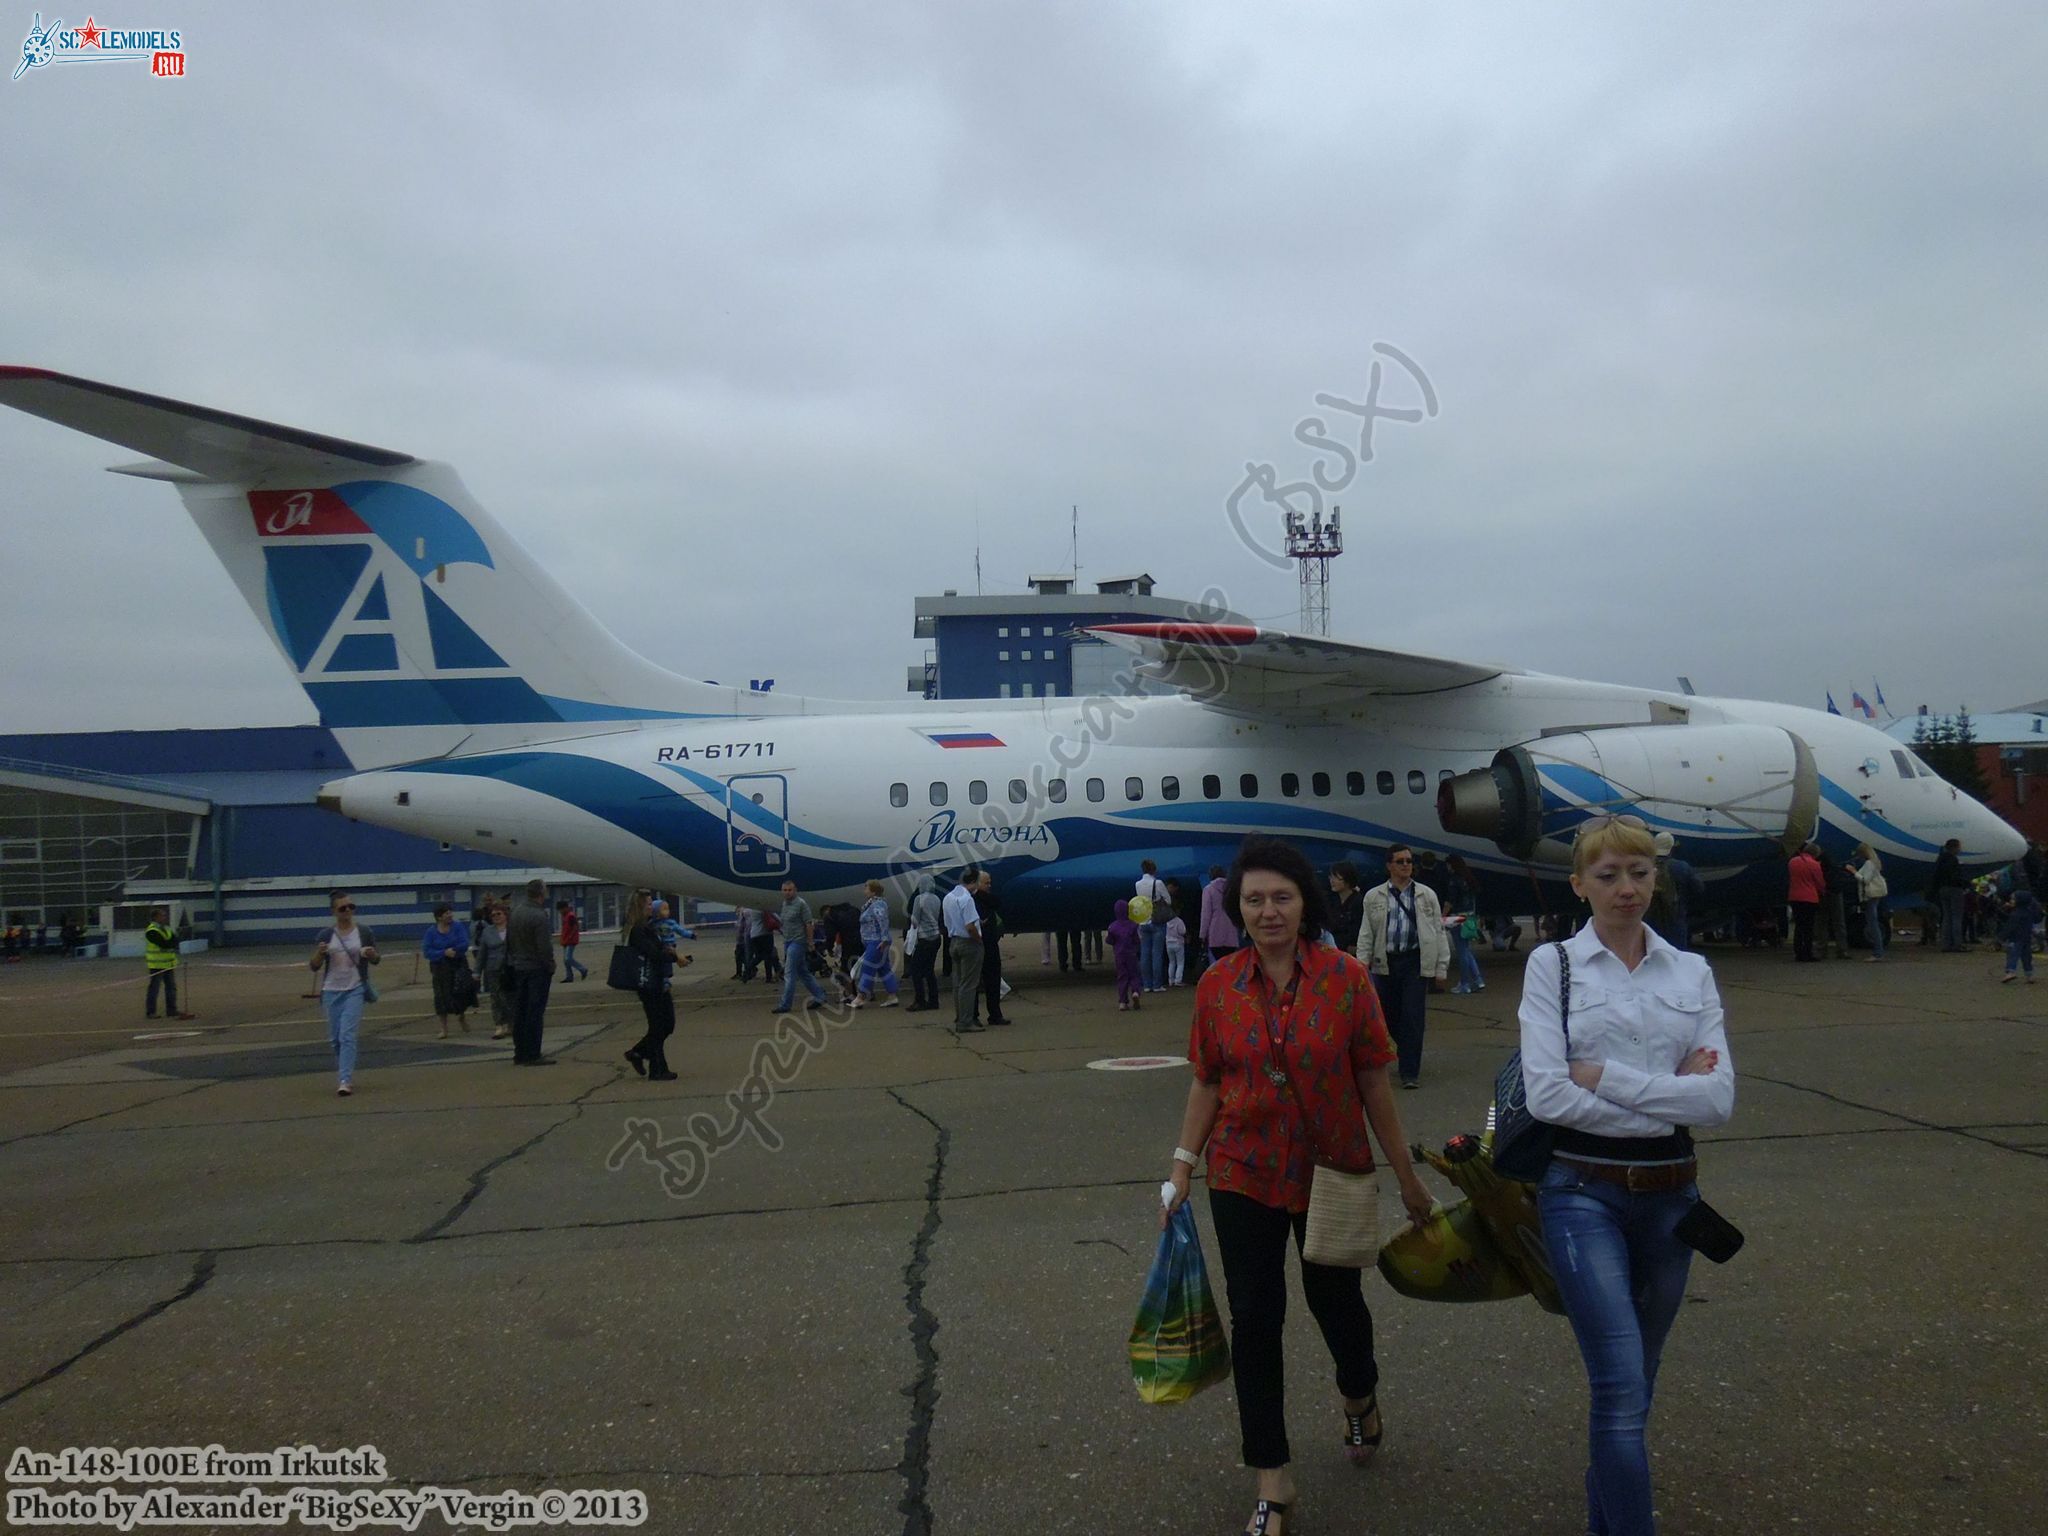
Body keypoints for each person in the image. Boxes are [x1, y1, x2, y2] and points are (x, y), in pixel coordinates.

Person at [1164, 836, 1434, 1536]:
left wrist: (1405, 1176)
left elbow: (1374, 1077)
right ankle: (1273, 1480)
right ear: (1237, 908)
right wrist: (1182, 1166)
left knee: (1336, 1304)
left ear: (1303, 901)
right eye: (1253, 899)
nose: (1267, 910)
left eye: (1281, 896)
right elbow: (1208, 1079)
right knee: (1255, 1320)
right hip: (1242, 1172)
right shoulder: (1218, 987)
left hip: (1331, 1170)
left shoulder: (1345, 978)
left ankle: (1359, 1393)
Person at [1520, 814, 1735, 1536]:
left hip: (1674, 1197)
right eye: (1608, 875)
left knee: (1636, 1389)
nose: (1626, 889)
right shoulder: (1553, 967)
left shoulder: (1691, 972)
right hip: (1583, 1193)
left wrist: (1606, 1078)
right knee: (1618, 1387)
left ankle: (1603, 1519)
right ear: (1580, 883)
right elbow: (1549, 1094)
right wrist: (1666, 1091)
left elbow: (1718, 1098)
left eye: (1639, 873)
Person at [1358, 846, 1448, 1089]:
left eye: (1409, 861)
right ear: (1389, 865)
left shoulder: (1426, 895)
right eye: (1400, 861)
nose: (1406, 865)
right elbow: (1367, 932)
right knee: (1387, 1016)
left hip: (1414, 962)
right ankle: (1407, 1048)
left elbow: (1438, 932)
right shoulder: (1374, 896)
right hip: (1385, 962)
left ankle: (1410, 1071)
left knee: (1412, 1016)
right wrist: (1361, 964)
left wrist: (1441, 968)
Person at [310, 891, 379, 1097]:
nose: (348, 911)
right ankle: (344, 1070)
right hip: (331, 990)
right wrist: (320, 953)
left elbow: (376, 959)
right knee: (335, 1039)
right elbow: (314, 966)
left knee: (347, 1035)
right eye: (342, 908)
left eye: (351, 906)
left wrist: (371, 954)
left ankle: (345, 1079)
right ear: (334, 911)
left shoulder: (364, 932)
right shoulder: (326, 935)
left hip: (355, 988)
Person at [622, 889, 691, 1079]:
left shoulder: (649, 926)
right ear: (641, 906)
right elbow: (653, 953)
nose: (651, 907)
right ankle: (657, 1068)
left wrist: (675, 955)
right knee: (660, 1025)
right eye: (648, 904)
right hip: (649, 983)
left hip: (657, 980)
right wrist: (672, 957)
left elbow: (661, 947)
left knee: (665, 1024)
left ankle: (640, 1053)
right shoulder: (638, 930)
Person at [506, 879, 556, 1065]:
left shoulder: (516, 912)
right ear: (541, 893)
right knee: (535, 1012)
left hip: (519, 966)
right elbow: (544, 947)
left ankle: (520, 1052)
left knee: (520, 1011)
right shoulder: (538, 915)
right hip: (536, 968)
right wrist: (550, 964)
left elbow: (509, 942)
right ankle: (533, 1053)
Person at [770, 881, 831, 1012]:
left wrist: (810, 942)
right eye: (785, 890)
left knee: (789, 973)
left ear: (795, 890)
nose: (787, 892)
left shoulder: (801, 904)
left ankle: (785, 1004)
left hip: (798, 942)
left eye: (790, 890)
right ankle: (820, 995)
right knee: (803, 972)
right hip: (788, 941)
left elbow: (809, 924)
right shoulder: (785, 904)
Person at [422, 904, 473, 1038]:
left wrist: (454, 950)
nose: (450, 915)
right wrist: (443, 952)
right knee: (441, 996)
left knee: (460, 993)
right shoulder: (431, 932)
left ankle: (461, 1016)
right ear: (439, 917)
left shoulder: (457, 927)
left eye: (450, 913)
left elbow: (464, 943)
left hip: (458, 963)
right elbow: (427, 951)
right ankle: (443, 1028)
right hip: (440, 967)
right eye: (446, 913)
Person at [943, 868, 984, 1032]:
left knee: (958, 983)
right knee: (969, 984)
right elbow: (970, 926)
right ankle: (966, 1022)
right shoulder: (967, 899)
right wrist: (979, 939)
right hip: (968, 943)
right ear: (973, 882)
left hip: (953, 941)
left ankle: (960, 1016)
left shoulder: (949, 897)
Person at [857, 879, 902, 1007]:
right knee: (884, 968)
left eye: (866, 888)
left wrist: (884, 939)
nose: (864, 890)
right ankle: (892, 995)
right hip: (874, 940)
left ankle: (861, 996)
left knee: (867, 967)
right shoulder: (871, 904)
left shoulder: (877, 905)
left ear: (873, 891)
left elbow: (882, 922)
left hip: (876, 941)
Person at [142, 905, 191, 1020]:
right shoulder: (151, 931)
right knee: (154, 988)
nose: (165, 917)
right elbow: (165, 944)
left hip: (168, 963)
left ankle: (171, 1010)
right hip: (156, 965)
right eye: (162, 915)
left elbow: (174, 941)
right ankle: (151, 1012)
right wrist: (171, 943)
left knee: (171, 988)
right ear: (155, 917)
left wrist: (171, 942)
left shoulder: (167, 929)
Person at [975, 870, 1011, 1025]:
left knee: (993, 981)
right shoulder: (973, 900)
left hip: (990, 944)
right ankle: (974, 1015)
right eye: (986, 883)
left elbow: (997, 902)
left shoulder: (987, 899)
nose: (989, 886)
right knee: (975, 983)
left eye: (990, 882)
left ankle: (995, 1014)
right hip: (978, 945)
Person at [474, 901, 515, 1038]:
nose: (496, 917)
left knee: (510, 998)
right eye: (493, 915)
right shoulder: (487, 931)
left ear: (505, 915)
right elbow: (482, 954)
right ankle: (499, 1025)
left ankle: (511, 1024)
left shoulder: (513, 929)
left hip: (511, 968)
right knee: (496, 998)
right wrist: (477, 972)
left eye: (499, 914)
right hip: (493, 969)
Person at [906, 875, 944, 1012]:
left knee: (916, 970)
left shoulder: (919, 899)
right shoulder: (937, 899)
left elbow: (915, 921)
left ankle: (920, 1000)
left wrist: (911, 918)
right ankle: (934, 1000)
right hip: (936, 937)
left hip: (924, 938)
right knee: (929, 970)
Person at [1135, 859, 1171, 994]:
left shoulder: (1137, 884)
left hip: (1143, 920)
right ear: (1153, 869)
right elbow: (1168, 900)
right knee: (1157, 954)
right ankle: (1157, 984)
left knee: (1145, 953)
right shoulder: (1158, 883)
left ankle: (1146, 984)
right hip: (1157, 920)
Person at [1786, 843, 1825, 963]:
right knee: (1808, 927)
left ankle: (1798, 952)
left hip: (1794, 896)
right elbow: (1820, 883)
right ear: (1815, 854)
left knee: (1799, 926)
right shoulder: (1815, 865)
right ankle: (1808, 953)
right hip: (1810, 898)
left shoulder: (1792, 862)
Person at [1852, 844, 1889, 961]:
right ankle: (1878, 951)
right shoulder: (1874, 862)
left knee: (1872, 923)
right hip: (1874, 894)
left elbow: (1865, 879)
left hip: (1870, 895)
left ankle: (1878, 952)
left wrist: (1853, 872)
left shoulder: (1869, 864)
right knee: (1872, 922)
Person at [1200, 864, 1239, 970]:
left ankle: (1218, 985)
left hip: (1215, 932)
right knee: (1229, 964)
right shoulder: (1231, 889)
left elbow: (1206, 914)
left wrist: (1202, 934)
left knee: (1216, 965)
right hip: (1231, 931)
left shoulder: (1208, 889)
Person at [1931, 838, 1966, 951]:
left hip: (1943, 889)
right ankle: (1957, 944)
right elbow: (1955, 877)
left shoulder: (1941, 858)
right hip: (1954, 889)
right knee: (1956, 917)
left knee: (1946, 917)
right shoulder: (1953, 860)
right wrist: (1965, 883)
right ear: (1954, 848)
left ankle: (1945, 944)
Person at [1821, 848, 1856, 959]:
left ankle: (1822, 949)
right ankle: (1842, 950)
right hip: (1836, 895)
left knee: (1822, 923)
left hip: (1822, 895)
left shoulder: (1819, 869)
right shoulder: (1836, 868)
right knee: (1839, 923)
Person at [1108, 898, 1142, 1009]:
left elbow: (1109, 940)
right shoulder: (1133, 925)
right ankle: (1135, 992)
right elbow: (1136, 940)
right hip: (1131, 954)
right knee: (1134, 975)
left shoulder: (1113, 927)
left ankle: (1123, 1002)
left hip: (1119, 955)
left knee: (1122, 977)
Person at [2000, 889, 2040, 984]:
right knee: (2027, 957)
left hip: (2015, 938)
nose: (2011, 901)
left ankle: (2010, 971)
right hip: (2027, 938)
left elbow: (2009, 927)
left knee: (2012, 955)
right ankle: (2029, 974)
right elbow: (2037, 919)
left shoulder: (2015, 914)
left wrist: (2001, 937)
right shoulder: (2029, 912)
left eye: (2013, 899)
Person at [1327, 862, 1365, 955]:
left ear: (1348, 880)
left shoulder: (1358, 902)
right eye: (1331, 877)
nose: (1332, 881)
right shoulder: (1332, 900)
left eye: (1336, 878)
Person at [556, 900, 588, 983]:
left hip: (570, 940)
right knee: (565, 960)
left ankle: (583, 969)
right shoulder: (565, 916)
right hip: (566, 940)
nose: (560, 912)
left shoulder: (570, 916)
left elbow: (575, 927)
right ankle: (569, 977)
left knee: (568, 959)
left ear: (565, 908)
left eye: (561, 909)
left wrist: (570, 937)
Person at [1165, 905, 1188, 986]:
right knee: (1180, 963)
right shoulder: (1179, 921)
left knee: (1171, 962)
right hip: (1178, 943)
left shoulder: (1167, 921)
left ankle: (1170, 980)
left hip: (1168, 944)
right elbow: (1183, 932)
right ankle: (1178, 980)